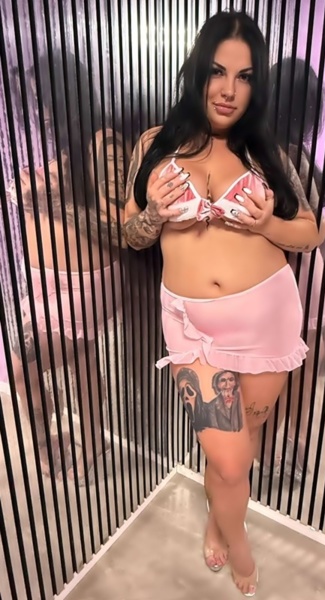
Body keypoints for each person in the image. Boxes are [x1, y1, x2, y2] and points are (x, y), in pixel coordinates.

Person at [124, 12, 319, 596]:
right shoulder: (154, 145)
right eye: (216, 71)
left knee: (245, 438)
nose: (228, 89)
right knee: (230, 459)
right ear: (196, 72)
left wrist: (267, 224)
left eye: (244, 76)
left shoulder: (265, 152)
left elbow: (310, 231)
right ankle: (241, 545)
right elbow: (130, 234)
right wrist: (153, 214)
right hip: (192, 329)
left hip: (267, 317)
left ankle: (217, 519)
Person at [8, 50, 126, 483]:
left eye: (43, 99)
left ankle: (52, 443)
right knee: (82, 355)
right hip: (48, 282)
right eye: (33, 100)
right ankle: (91, 443)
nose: (38, 111)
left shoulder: (105, 141)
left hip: (86, 284)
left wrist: (53, 203)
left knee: (21, 369)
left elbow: (119, 228)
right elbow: (56, 183)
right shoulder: (69, 146)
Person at [261, 58, 325, 481]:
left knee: (286, 364)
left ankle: (277, 450)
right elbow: (315, 226)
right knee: (294, 364)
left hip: (291, 270)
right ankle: (289, 448)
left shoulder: (279, 152)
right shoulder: (279, 154)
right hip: (294, 269)